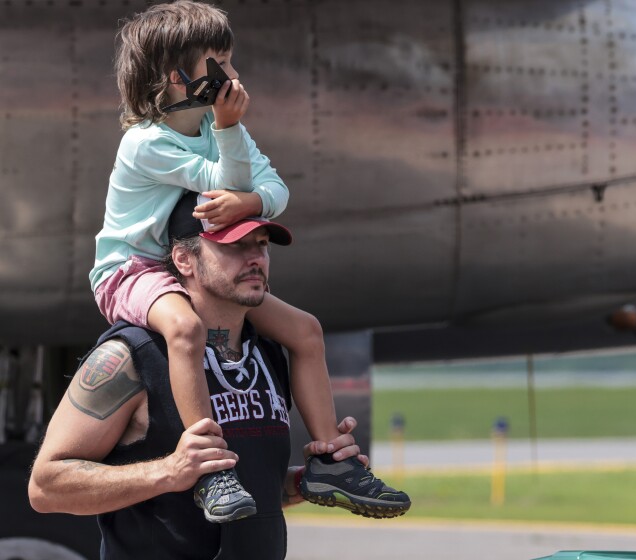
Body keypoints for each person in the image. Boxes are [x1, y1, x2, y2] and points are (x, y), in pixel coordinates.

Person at [89, 0, 409, 520]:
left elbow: (273, 188)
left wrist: (250, 203)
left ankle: (332, 459)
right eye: (222, 63)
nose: (234, 75)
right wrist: (233, 148)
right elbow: (226, 181)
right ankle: (211, 469)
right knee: (187, 333)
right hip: (133, 270)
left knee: (305, 331)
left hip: (189, 266)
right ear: (178, 77)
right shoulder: (143, 144)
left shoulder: (217, 133)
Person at [29, 198, 378, 559]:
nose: (255, 258)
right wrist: (168, 472)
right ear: (184, 259)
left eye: (261, 244)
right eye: (234, 245)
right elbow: (46, 486)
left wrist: (307, 482)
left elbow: (250, 492)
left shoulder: (268, 354)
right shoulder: (132, 356)